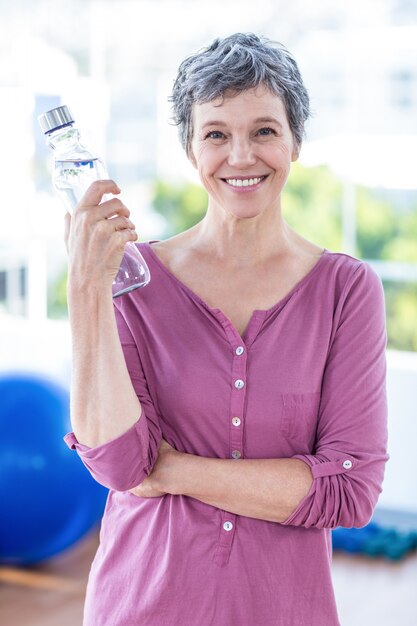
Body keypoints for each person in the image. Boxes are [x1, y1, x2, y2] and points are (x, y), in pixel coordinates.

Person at [64, 33, 389, 626]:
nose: (241, 156)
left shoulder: (346, 291)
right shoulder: (132, 282)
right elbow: (117, 466)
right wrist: (87, 288)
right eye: (216, 134)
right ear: (191, 150)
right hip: (141, 607)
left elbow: (350, 491)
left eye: (264, 130)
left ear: (294, 142)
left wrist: (171, 470)